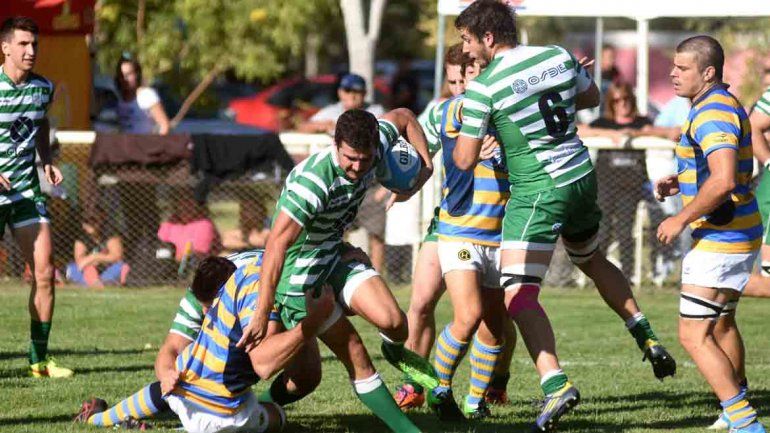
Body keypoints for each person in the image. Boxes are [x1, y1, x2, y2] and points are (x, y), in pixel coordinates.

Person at [452, 2, 676, 430]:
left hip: (538, 191)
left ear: (488, 37)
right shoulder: (556, 55)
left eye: (466, 40)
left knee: (517, 294)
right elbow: (590, 98)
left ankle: (555, 385)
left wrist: (473, 117)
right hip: (580, 175)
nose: (465, 52)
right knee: (590, 258)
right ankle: (644, 332)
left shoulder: (483, 88)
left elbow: (463, 160)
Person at [239, 108, 436, 433]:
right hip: (299, 279)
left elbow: (403, 117)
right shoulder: (313, 180)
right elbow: (276, 246)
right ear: (335, 144)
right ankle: (255, 410)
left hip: (334, 255)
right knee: (310, 378)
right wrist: (263, 310)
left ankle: (392, 348)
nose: (358, 167)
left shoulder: (378, 144)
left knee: (396, 324)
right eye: (350, 159)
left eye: (365, 159)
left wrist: (425, 168)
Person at [75, 250, 323, 429]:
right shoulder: (200, 298)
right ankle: (99, 419)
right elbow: (170, 348)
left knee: (302, 379)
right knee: (252, 417)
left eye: (213, 309)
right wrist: (166, 374)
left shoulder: (260, 285)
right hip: (222, 403)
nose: (209, 316)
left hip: (221, 389)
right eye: (206, 310)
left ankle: (98, 419)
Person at [654, 35, 765, 433]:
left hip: (722, 237)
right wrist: (683, 180)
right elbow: (732, 172)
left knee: (692, 335)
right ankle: (738, 403)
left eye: (682, 68)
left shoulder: (712, 111)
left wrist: (680, 217)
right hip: (739, 230)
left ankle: (744, 421)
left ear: (708, 72)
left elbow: (721, 181)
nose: (673, 73)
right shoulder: (718, 103)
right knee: (721, 323)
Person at [426, 61, 512, 421]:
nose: (465, 84)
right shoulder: (453, 109)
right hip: (460, 229)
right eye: (459, 79)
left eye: (473, 75)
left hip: (501, 232)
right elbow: (461, 113)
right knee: (468, 315)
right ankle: (439, 388)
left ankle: (475, 401)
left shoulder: (508, 117)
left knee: (495, 326)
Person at [0, 16, 70, 378]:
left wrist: (45, 162)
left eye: (34, 45)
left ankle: (39, 360)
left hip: (26, 190)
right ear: (5, 47)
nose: (30, 51)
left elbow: (39, 123)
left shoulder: (43, 87)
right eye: (23, 44)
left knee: (45, 272)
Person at [579, 82, 652, 279]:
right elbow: (579, 130)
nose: (622, 104)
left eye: (626, 99)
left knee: (625, 231)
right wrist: (610, 134)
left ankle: (626, 276)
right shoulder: (603, 123)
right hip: (604, 184)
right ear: (611, 102)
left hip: (630, 186)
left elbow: (665, 131)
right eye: (617, 100)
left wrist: (637, 133)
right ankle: (598, 274)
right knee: (601, 230)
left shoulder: (641, 122)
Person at [298, 73, 385, 134]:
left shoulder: (375, 111)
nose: (352, 95)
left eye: (357, 91)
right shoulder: (332, 111)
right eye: (347, 90)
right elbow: (302, 127)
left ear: (364, 93)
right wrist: (320, 126)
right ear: (340, 92)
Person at [65, 211, 130, 288]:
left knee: (122, 266)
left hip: (107, 269)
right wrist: (96, 259)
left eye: (94, 220)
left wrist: (95, 257)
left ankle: (93, 284)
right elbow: (80, 263)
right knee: (74, 268)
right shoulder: (81, 240)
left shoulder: (110, 235)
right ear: (83, 225)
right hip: (88, 270)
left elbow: (116, 257)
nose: (91, 224)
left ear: (100, 221)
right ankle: (97, 283)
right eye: (87, 222)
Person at [114, 54, 170, 135]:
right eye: (122, 75)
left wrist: (155, 145)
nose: (125, 79)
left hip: (143, 145)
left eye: (129, 74)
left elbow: (164, 125)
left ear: (137, 74)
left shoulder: (147, 95)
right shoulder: (119, 98)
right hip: (124, 145)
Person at [158, 197, 221, 262]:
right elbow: (160, 244)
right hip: (169, 261)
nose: (186, 210)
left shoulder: (204, 223)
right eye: (182, 207)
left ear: (196, 208)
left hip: (191, 262)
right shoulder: (169, 224)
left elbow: (199, 252)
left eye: (189, 207)